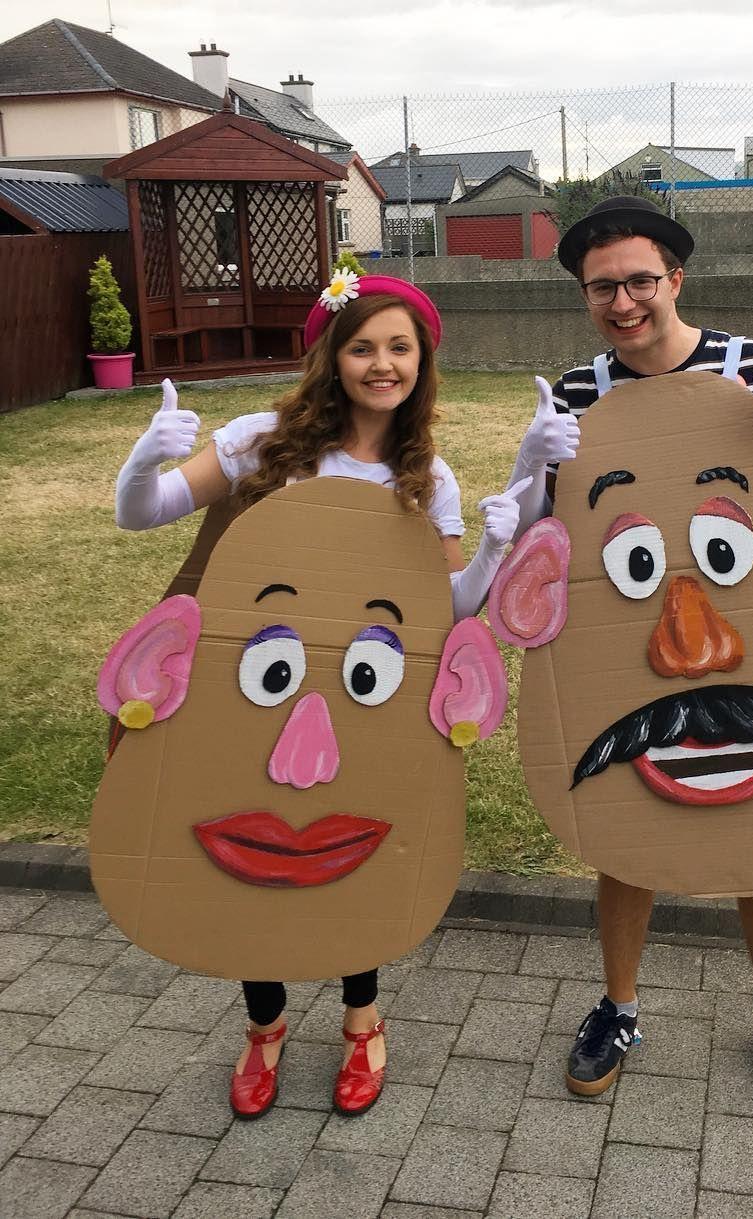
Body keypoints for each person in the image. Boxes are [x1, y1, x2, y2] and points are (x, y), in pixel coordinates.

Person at [112, 272, 555, 1120]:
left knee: (346, 843)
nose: (381, 364)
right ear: (331, 355)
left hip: (365, 699)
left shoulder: (429, 475)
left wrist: (494, 554)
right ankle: (265, 1027)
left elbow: (447, 609)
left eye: (400, 347)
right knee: (244, 839)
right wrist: (144, 460)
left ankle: (361, 1021)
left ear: (422, 362)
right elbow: (146, 512)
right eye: (362, 346)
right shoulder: (261, 440)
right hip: (248, 689)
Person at [529, 196, 753, 1107]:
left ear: (676, 278)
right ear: (584, 295)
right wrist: (531, 467)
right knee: (625, 822)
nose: (624, 300)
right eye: (603, 287)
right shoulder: (577, 392)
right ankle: (619, 1004)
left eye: (641, 279)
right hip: (631, 640)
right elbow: (546, 540)